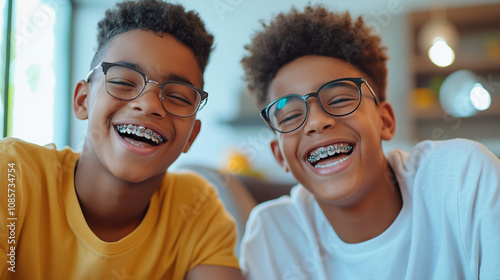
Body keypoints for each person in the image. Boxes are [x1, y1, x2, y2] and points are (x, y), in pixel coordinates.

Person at [238, 5, 500, 280]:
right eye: (291, 115)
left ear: (384, 121)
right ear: (280, 156)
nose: (315, 122)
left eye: (339, 99)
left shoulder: (463, 180)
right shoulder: (271, 235)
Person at [0, 1, 245, 279]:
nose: (149, 104)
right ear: (83, 100)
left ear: (192, 136)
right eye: (124, 82)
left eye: (177, 96)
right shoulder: (12, 174)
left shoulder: (196, 208)